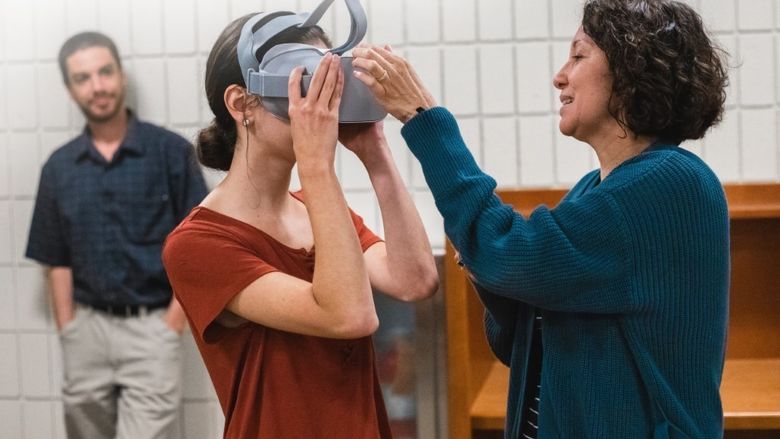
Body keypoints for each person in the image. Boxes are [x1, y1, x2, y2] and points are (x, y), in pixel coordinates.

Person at [352, 0, 730, 437]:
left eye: (579, 55)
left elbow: (508, 254)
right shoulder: (595, 188)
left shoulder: (670, 182)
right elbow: (521, 339)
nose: (560, 76)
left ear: (630, 70)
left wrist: (421, 117)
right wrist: (490, 266)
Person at [161, 13, 438, 439]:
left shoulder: (316, 207)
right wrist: (316, 163)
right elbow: (349, 315)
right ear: (240, 104)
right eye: (301, 84)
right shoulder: (197, 244)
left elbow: (414, 280)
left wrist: (375, 152)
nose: (318, 105)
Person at [25, 32, 208, 439]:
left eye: (105, 72)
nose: (98, 86)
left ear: (121, 75)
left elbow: (200, 248)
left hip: (152, 329)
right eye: (83, 78)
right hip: (86, 332)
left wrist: (171, 325)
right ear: (71, 90)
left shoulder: (172, 153)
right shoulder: (59, 168)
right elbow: (55, 258)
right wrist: (69, 329)